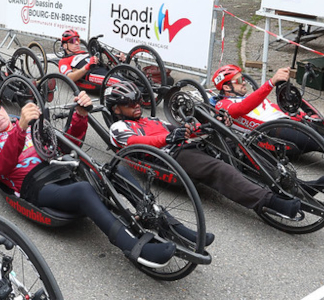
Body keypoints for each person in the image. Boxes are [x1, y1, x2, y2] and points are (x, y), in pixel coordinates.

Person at [0, 92, 179, 265]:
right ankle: (134, 248)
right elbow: (0, 167)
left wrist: (79, 115)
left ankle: (168, 224)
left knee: (115, 171)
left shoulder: (27, 123)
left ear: (2, 107)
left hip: (61, 168)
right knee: (83, 190)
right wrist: (20, 129)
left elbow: (67, 145)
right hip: (37, 185)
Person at [107, 80, 303, 219]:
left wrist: (208, 126)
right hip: (172, 156)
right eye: (129, 104)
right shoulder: (118, 128)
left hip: (184, 146)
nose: (136, 106)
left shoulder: (152, 119)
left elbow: (183, 131)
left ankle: (294, 183)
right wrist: (167, 138)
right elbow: (135, 143)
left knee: (238, 145)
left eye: (138, 101)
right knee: (220, 169)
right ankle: (272, 203)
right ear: (116, 109)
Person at [57, 29, 118, 93]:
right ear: (65, 46)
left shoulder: (84, 52)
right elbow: (69, 77)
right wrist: (87, 66)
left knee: (126, 78)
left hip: (103, 69)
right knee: (120, 83)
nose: (77, 43)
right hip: (91, 73)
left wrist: (116, 58)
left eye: (77, 40)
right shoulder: (64, 61)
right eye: (73, 41)